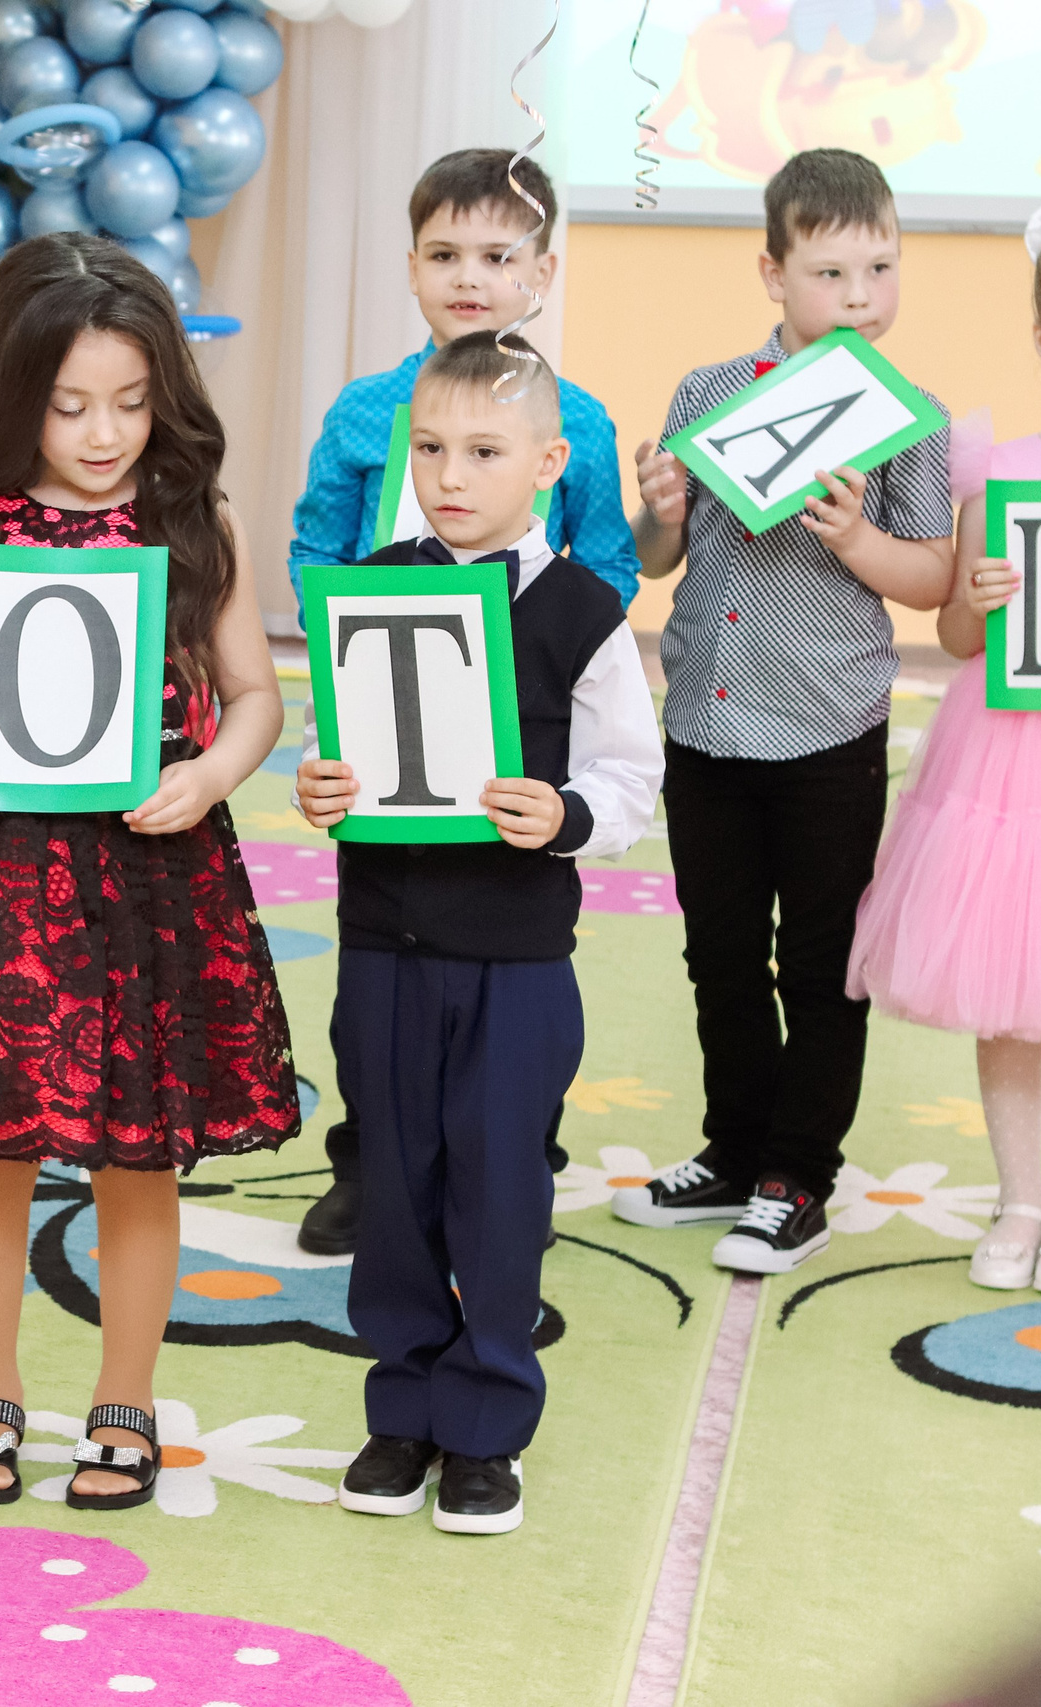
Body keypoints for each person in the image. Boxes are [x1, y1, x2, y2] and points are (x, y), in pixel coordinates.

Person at [0, 232, 301, 1513]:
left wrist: (212, 774)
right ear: (10, 392)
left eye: (132, 404)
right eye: (69, 404)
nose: (103, 434)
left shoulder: (192, 516)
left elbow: (255, 694)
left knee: (138, 1156)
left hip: (149, 874)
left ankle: (125, 1402)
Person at [296, 331, 663, 1535]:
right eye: (434, 448)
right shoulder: (376, 586)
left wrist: (564, 816)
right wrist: (321, 787)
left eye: (486, 450)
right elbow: (340, 748)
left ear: (549, 461)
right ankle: (399, 1411)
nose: (452, 475)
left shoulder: (582, 610)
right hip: (383, 949)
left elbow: (627, 776)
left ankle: (486, 1426)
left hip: (514, 965)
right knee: (395, 1184)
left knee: (500, 1189)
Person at [287, 147, 640, 1257]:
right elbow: (315, 541)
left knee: (495, 967)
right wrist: (351, 639)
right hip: (380, 705)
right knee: (379, 979)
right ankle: (369, 1160)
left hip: (507, 725)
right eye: (444, 254)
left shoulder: (566, 414)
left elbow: (610, 564)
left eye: (495, 255)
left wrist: (536, 650)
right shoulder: (364, 409)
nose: (468, 276)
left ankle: (512, 1156)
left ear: (540, 272)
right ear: (410, 267)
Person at [614, 149, 956, 1275]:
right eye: (829, 272)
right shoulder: (709, 394)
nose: (859, 295)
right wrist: (656, 511)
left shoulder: (909, 418)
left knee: (817, 964)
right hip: (705, 722)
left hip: (826, 730)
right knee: (717, 954)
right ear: (771, 272)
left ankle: (797, 1174)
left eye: (879, 268)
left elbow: (931, 579)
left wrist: (859, 538)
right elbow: (664, 561)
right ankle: (731, 1151)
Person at [846, 186, 1041, 1298]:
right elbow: (958, 634)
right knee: (1007, 983)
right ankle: (1016, 1198)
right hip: (1011, 759)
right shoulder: (994, 467)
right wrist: (988, 597)